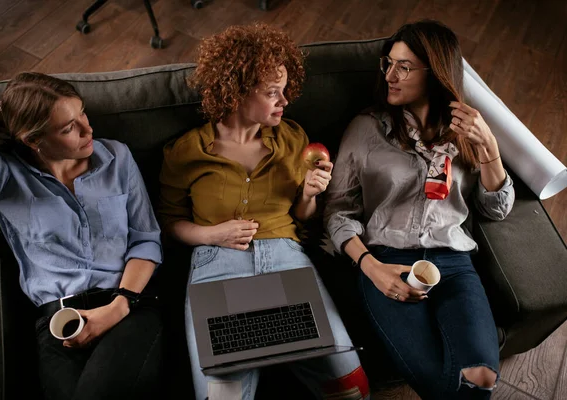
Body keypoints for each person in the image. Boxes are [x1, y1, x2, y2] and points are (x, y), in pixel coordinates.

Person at [158, 23, 370, 400]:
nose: (284, 100)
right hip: (216, 266)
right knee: (220, 397)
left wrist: (309, 194)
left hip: (286, 260)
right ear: (236, 92)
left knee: (352, 386)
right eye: (273, 93)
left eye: (285, 90)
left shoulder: (293, 138)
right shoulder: (187, 150)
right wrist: (213, 234)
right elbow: (169, 223)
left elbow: (304, 217)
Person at [324, 20, 515, 400]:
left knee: (480, 376)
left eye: (404, 67)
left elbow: (495, 210)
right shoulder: (366, 128)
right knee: (451, 385)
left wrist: (490, 148)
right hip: (387, 260)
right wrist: (371, 268)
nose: (390, 76)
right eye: (388, 64)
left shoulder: (467, 130)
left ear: (436, 73)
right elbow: (337, 211)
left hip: (455, 264)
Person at [0, 73, 164, 400]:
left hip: (127, 307)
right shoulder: (5, 179)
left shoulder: (117, 158)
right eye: (68, 127)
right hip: (59, 326)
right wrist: (4, 110)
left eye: (82, 113)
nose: (88, 130)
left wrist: (119, 305)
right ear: (33, 140)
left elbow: (146, 240)